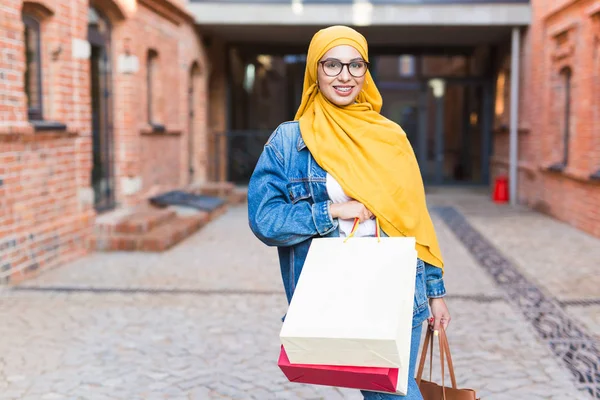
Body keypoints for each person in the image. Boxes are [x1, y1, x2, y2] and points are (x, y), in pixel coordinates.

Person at [247, 25, 450, 400]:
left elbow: (415, 219)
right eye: (332, 65)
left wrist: (436, 291)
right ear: (315, 71)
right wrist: (333, 211)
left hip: (401, 286)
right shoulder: (290, 141)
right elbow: (265, 219)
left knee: (391, 393)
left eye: (356, 65)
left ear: (365, 71)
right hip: (336, 292)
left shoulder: (390, 136)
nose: (345, 76)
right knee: (386, 393)